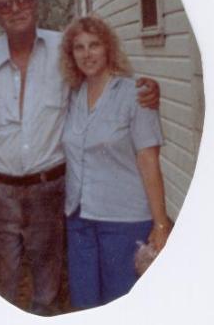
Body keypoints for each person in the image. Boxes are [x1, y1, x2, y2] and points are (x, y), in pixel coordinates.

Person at [0, 0, 160, 315]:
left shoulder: (65, 48)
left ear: (36, 4)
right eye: (6, 5)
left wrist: (147, 88)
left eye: (23, 1)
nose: (16, 9)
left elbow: (103, 72)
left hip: (50, 192)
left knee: (47, 288)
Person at [60, 15, 172, 309]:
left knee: (122, 305)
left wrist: (160, 224)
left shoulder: (136, 94)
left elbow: (149, 161)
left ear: (108, 47)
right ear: (71, 55)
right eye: (79, 47)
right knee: (85, 304)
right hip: (79, 219)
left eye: (94, 45)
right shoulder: (72, 96)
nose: (87, 54)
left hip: (124, 221)